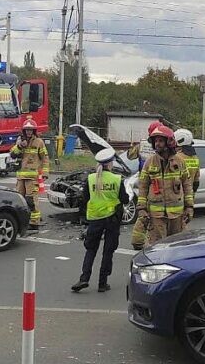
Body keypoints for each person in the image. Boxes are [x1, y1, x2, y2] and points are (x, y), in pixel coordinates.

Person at [71, 148, 130, 293]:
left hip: (95, 218)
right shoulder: (116, 179)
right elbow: (124, 199)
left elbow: (84, 199)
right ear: (110, 164)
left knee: (91, 249)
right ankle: (102, 283)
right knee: (108, 251)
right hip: (112, 220)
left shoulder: (91, 178)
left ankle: (84, 278)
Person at [137, 124, 193, 246]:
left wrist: (189, 207)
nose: (157, 143)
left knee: (176, 247)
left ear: (169, 142)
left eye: (161, 141)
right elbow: (143, 186)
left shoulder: (180, 162)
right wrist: (141, 209)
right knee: (157, 248)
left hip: (176, 217)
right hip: (156, 216)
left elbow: (187, 185)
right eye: (156, 141)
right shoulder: (149, 162)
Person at [130, 120, 165, 250]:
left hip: (147, 183)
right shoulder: (163, 147)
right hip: (156, 185)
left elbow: (130, 155)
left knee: (145, 214)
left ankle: (139, 241)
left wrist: (134, 146)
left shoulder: (142, 146)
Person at [10, 118, 49, 229]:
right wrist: (20, 146)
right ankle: (22, 220)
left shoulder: (39, 142)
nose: (28, 132)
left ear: (34, 131)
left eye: (31, 130)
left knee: (31, 200)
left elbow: (45, 158)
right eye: (27, 130)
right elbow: (12, 154)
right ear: (23, 131)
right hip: (21, 177)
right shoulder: (20, 142)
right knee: (20, 199)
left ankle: (34, 222)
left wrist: (45, 172)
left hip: (32, 177)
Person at [174, 129, 200, 223]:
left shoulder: (177, 157)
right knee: (185, 222)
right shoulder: (195, 158)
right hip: (190, 195)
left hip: (178, 195)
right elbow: (197, 181)